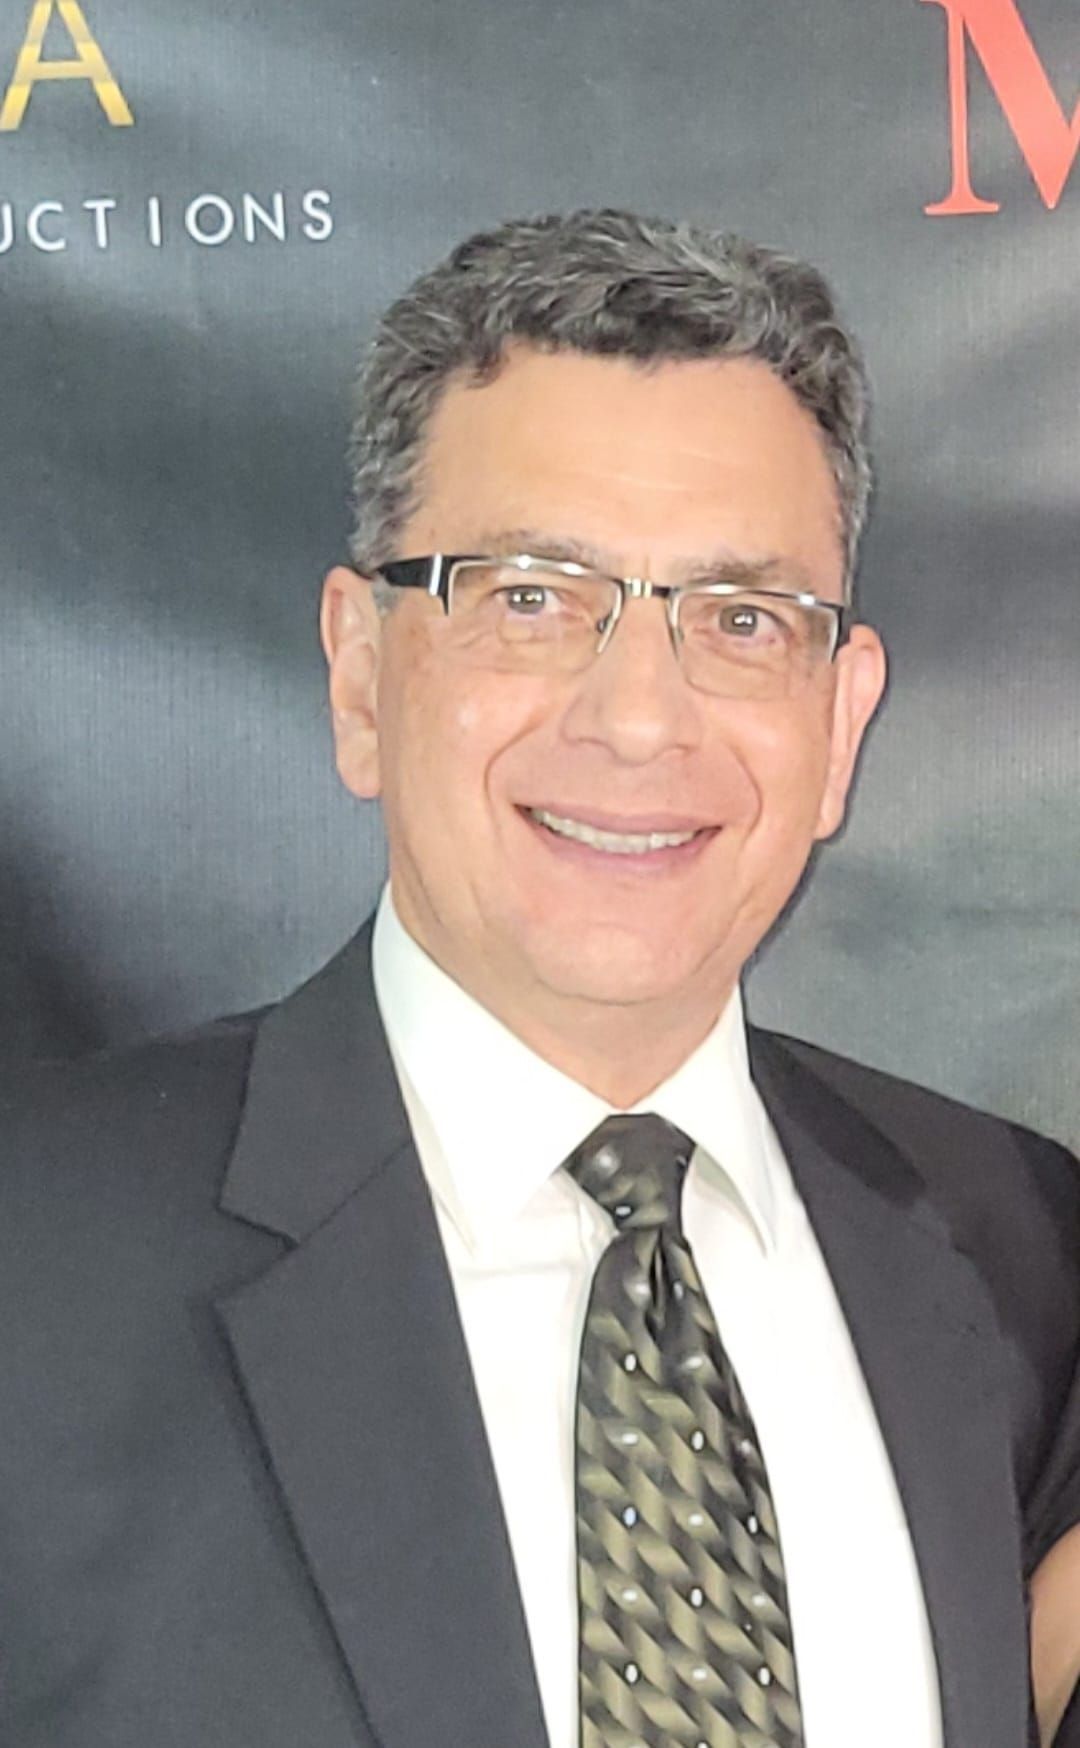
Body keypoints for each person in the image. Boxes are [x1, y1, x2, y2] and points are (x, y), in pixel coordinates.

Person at [0, 208, 1077, 1748]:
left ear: (842, 724)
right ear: (362, 672)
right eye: (527, 596)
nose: (639, 718)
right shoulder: (30, 1266)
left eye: (743, 618)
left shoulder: (1025, 1260)